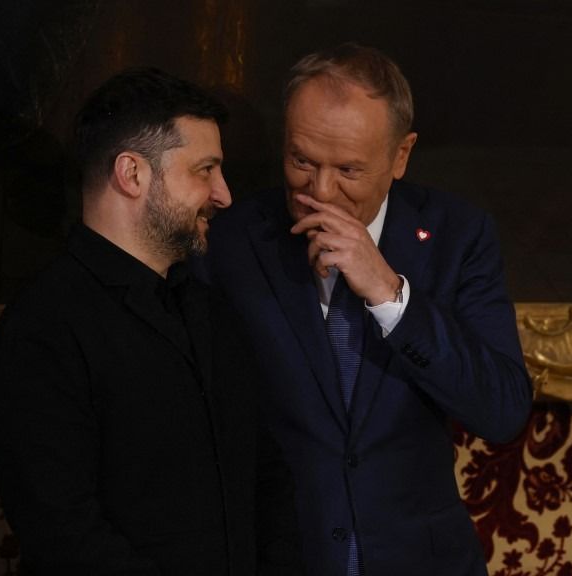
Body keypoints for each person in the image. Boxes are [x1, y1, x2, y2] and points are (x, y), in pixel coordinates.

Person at [203, 44, 533, 575]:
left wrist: (389, 293)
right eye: (301, 161)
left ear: (400, 156)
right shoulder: (234, 240)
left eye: (348, 170)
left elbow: (502, 411)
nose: (320, 191)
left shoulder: (458, 236)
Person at [0, 67, 301, 576]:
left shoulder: (213, 311)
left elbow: (267, 477)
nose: (223, 194)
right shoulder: (41, 331)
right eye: (205, 170)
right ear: (132, 174)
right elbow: (64, 533)